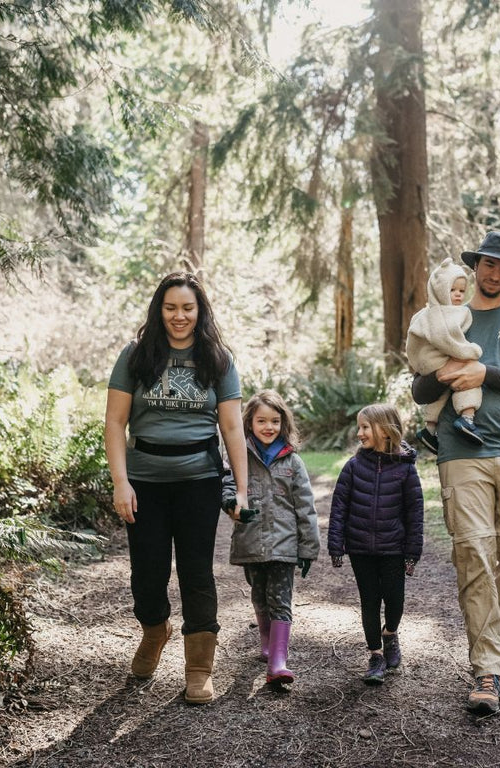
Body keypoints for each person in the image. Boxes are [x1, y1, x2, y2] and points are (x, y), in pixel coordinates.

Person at [411, 230, 500, 715]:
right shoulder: (447, 315)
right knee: (473, 552)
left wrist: (485, 374)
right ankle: (487, 669)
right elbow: (419, 388)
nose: (495, 275)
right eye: (489, 265)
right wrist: (445, 374)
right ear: (475, 267)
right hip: (459, 451)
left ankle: (489, 628)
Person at [105, 271, 248, 706]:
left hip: (198, 482)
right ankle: (155, 629)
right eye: (170, 308)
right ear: (159, 309)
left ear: (199, 310)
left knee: (196, 571)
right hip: (144, 481)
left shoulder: (217, 358)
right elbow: (115, 423)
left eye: (188, 308)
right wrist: (121, 482)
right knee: (147, 573)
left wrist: (241, 489)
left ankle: (199, 667)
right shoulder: (136, 355)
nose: (179, 316)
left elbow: (232, 427)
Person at [223, 389, 320, 687]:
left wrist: (308, 549)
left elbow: (306, 508)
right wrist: (232, 505)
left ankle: (279, 660)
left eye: (275, 421)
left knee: (280, 599)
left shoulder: (292, 462)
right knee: (259, 594)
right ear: (249, 422)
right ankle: (266, 642)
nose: (268, 427)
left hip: (284, 545)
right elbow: (227, 486)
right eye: (262, 420)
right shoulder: (240, 456)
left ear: (283, 424)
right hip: (251, 542)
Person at [327, 403, 424, 686]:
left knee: (395, 600)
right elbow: (339, 507)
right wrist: (337, 546)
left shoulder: (406, 470)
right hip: (360, 548)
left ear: (385, 429)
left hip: (393, 548)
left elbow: (414, 514)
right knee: (369, 601)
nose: (360, 433)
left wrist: (412, 552)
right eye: (359, 427)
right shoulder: (354, 467)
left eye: (365, 427)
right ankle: (375, 656)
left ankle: (390, 634)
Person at [406, 256, 485, 452]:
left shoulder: (427, 312)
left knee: (442, 391)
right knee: (467, 378)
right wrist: (471, 352)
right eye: (452, 290)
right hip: (435, 359)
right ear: (440, 291)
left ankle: (429, 429)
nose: (458, 295)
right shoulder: (443, 314)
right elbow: (449, 342)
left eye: (461, 291)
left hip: (427, 363)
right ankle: (467, 417)